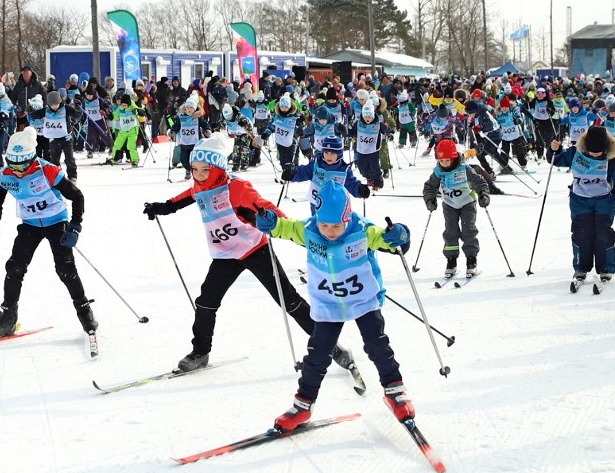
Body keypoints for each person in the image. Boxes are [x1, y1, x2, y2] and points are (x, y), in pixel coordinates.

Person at [142, 136, 359, 377]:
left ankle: (330, 345)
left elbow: (267, 208)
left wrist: (280, 223)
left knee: (288, 300)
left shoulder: (235, 187)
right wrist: (162, 207)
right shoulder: (200, 187)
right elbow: (185, 197)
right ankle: (200, 352)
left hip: (255, 250)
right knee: (205, 301)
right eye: (195, 169)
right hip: (225, 255)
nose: (200, 174)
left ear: (217, 169)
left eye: (206, 169)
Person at [256, 182, 415, 432]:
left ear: (347, 217)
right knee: (318, 354)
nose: (330, 232)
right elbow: (284, 227)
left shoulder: (362, 230)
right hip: (328, 301)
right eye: (324, 225)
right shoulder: (309, 229)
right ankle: (303, 405)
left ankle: (395, 391)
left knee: (377, 345)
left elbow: (389, 241)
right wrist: (271, 223)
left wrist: (400, 235)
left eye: (336, 226)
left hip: (363, 299)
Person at [0, 126, 96, 340]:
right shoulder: (7, 174)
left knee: (65, 269)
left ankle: (85, 312)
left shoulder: (48, 171)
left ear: (32, 158)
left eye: (21, 165)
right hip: (30, 225)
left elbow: (77, 196)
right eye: (12, 164)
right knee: (15, 267)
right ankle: (8, 317)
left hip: (57, 222)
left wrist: (75, 226)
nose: (16, 170)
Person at [549, 125, 615, 285]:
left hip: (604, 200)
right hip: (579, 200)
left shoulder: (613, 161)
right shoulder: (576, 154)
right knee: (582, 232)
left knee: (603, 233)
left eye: (599, 151)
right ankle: (581, 267)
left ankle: (606, 268)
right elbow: (557, 160)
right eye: (592, 151)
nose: (595, 154)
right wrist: (554, 150)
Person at [422, 139, 490, 279]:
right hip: (449, 205)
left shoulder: (464, 169)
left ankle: (471, 259)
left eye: (447, 160)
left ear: (453, 158)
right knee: (451, 232)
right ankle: (451, 260)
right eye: (441, 161)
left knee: (468, 231)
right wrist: (430, 200)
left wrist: (483, 195)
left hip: (467, 203)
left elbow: (480, 182)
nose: (444, 164)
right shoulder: (438, 171)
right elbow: (429, 187)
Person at [284, 134, 369, 213]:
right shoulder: (316, 164)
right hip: (317, 206)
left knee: (334, 227)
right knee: (318, 227)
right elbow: (304, 172)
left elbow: (352, 185)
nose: (329, 156)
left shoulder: (343, 170)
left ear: (339, 154)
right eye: (326, 153)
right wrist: (292, 173)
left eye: (332, 153)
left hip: (336, 207)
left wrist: (360, 190)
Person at [40, 90, 79, 179]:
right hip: (54, 139)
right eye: (52, 105)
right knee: (54, 159)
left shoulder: (65, 108)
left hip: (66, 138)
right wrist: (30, 111)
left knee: (69, 158)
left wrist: (78, 107)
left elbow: (77, 114)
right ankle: (57, 176)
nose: (54, 107)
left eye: (56, 104)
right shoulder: (46, 110)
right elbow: (35, 115)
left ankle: (72, 176)